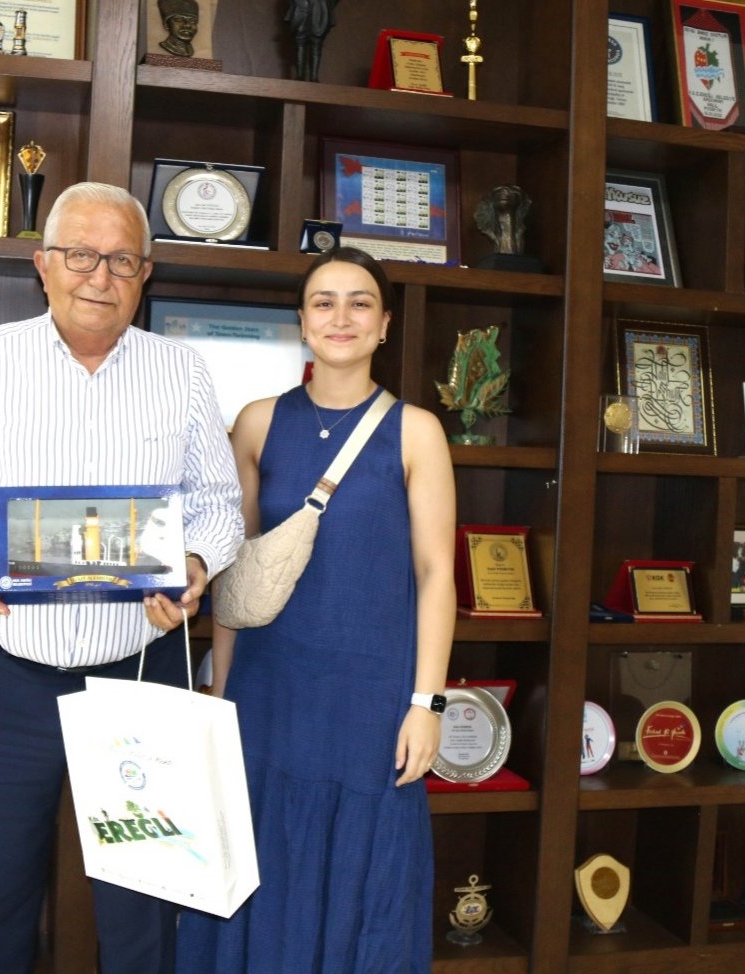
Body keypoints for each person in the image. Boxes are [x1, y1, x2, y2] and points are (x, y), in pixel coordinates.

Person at [0, 181, 244, 974]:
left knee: (143, 900)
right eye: (80, 255)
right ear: (42, 265)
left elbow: (218, 505)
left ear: (145, 273)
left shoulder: (182, 371)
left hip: (139, 669)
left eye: (121, 260)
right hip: (7, 672)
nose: (99, 276)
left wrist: (194, 563)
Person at [177, 246, 457, 974]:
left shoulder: (416, 431)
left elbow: (436, 575)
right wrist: (220, 692)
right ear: (301, 322)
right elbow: (235, 573)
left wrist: (426, 703)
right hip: (267, 692)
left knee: (361, 884)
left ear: (384, 324)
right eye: (323, 302)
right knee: (258, 867)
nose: (341, 317)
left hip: (370, 704)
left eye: (360, 302)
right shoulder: (257, 423)